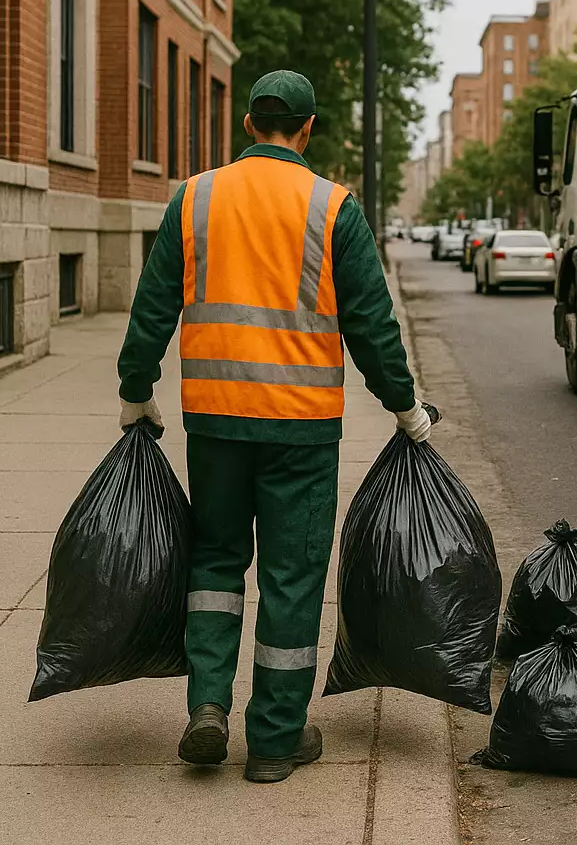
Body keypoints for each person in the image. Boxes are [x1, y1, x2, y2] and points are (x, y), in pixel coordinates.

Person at [117, 70, 435, 783]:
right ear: (308, 128)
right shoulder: (332, 208)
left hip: (217, 423)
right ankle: (273, 739)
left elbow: (152, 308)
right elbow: (372, 328)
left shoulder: (194, 198)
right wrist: (404, 406)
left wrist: (136, 390)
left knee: (215, 563)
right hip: (301, 428)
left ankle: (206, 707)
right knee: (291, 577)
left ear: (250, 125)